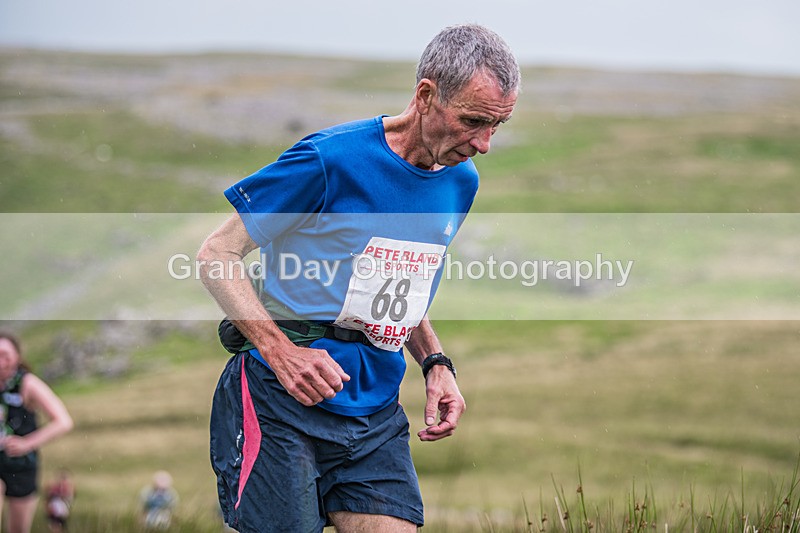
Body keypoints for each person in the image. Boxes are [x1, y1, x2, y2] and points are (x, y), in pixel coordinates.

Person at [199, 23, 519, 532]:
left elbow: (398, 286)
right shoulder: (330, 159)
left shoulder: (461, 182)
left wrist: (435, 363)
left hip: (374, 412)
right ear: (426, 95)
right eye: (472, 121)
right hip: (281, 401)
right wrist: (282, 353)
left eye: (496, 126)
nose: (483, 143)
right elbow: (216, 254)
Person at [0, 332, 74, 533]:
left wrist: (27, 443)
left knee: (18, 529)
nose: (1, 362)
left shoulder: (28, 383)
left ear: (17, 356)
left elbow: (63, 421)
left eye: (5, 355)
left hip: (22, 464)